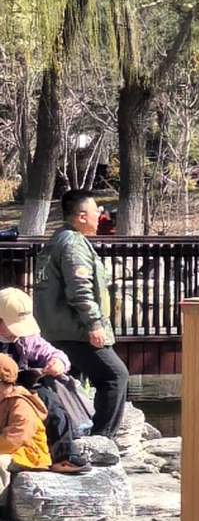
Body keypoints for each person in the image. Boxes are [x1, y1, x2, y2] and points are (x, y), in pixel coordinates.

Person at [33, 189, 129, 443]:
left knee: (68, 382)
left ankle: (66, 436)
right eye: (96, 210)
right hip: (75, 330)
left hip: (58, 328)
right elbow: (79, 290)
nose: (101, 215)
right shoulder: (73, 244)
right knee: (114, 376)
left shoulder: (59, 238)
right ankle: (101, 439)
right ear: (81, 216)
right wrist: (94, 324)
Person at [0, 287, 86, 464]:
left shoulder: (26, 338)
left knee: (49, 397)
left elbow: (53, 353)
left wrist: (58, 363)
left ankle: (65, 456)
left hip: (19, 389)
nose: (17, 332)